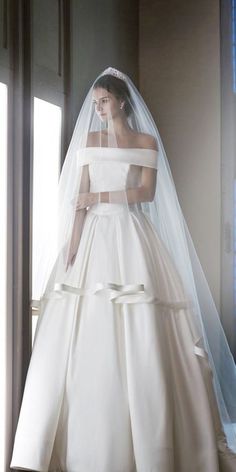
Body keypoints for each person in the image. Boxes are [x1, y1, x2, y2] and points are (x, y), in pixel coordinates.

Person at [10, 67, 236, 472]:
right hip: (94, 233)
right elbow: (79, 197)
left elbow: (145, 192)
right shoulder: (89, 141)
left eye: (104, 101)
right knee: (85, 327)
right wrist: (73, 247)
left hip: (130, 233)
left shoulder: (145, 141)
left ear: (122, 101)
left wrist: (99, 195)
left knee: (142, 327)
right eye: (94, 102)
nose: (97, 108)